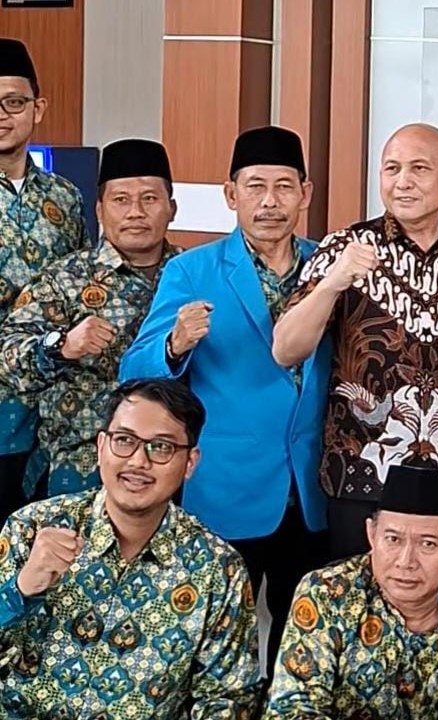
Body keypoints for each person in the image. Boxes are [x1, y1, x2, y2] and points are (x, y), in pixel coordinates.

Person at [119, 126, 330, 673]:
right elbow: (133, 371)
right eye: (255, 187)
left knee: (303, 640)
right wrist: (174, 344)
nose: (270, 202)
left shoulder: (328, 267)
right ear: (231, 195)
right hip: (228, 486)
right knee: (217, 641)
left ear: (305, 193)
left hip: (312, 488)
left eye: (284, 187)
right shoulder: (192, 270)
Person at [272, 123, 438, 560]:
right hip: (362, 473)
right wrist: (334, 281)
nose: (403, 181)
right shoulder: (345, 247)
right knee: (354, 596)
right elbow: (285, 349)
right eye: (392, 168)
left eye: (419, 169)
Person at [0, 379, 262, 717]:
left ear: (190, 462)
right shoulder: (31, 528)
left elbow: (227, 699)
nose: (138, 461)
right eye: (124, 440)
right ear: (101, 447)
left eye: (161, 447)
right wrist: (21, 590)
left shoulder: (217, 569)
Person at [0, 139, 178, 496]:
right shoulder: (65, 278)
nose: (136, 212)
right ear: (99, 209)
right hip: (78, 469)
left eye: (149, 198)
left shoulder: (196, 275)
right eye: (121, 200)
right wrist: (62, 345)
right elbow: (7, 355)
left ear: (171, 208)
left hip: (174, 466)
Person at [265, 465, 438, 718]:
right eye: (393, 539)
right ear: (372, 535)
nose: (405, 561)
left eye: (428, 544)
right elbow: (293, 710)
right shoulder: (326, 594)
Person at [0, 38, 91, 522]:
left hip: (55, 411)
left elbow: (82, 288)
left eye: (14, 102)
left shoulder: (66, 197)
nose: (2, 115)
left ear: (38, 108)